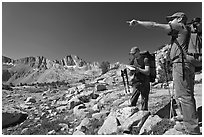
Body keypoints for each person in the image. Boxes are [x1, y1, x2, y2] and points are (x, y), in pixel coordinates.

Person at [127, 12, 201, 135]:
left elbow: (154, 25)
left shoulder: (180, 26)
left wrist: (138, 22)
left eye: (172, 19)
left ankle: (192, 129)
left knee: (184, 96)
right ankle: (188, 121)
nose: (169, 22)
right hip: (187, 65)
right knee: (187, 94)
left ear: (180, 18)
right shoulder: (185, 31)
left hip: (180, 65)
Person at [128, 46, 150, 111]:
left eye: (134, 53)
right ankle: (132, 115)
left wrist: (138, 69)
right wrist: (131, 71)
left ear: (138, 52)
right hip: (136, 82)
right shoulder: (133, 60)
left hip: (145, 82)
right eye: (132, 54)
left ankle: (144, 115)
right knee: (133, 100)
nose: (133, 55)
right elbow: (130, 73)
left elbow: (147, 72)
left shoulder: (145, 59)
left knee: (144, 101)